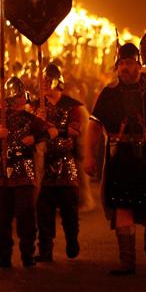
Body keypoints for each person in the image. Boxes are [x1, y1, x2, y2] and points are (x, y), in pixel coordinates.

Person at [84, 42, 146, 275]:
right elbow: (94, 126)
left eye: (130, 63)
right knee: (122, 206)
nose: (126, 67)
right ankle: (127, 260)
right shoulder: (108, 92)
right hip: (121, 156)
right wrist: (89, 156)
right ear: (117, 66)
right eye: (122, 63)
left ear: (139, 63)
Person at [0, 76, 57, 268]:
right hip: (0, 172)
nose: (22, 100)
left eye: (23, 96)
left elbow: (53, 131)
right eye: (18, 97)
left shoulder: (31, 119)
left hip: (24, 171)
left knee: (26, 215)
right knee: (1, 218)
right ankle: (3, 255)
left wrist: (36, 136)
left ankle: (27, 254)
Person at [33, 63, 92, 262]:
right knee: (43, 210)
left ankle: (72, 239)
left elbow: (76, 131)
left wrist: (55, 128)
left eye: (48, 81)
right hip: (42, 165)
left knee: (69, 210)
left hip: (66, 163)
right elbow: (28, 132)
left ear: (58, 82)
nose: (44, 85)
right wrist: (36, 119)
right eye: (42, 82)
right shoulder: (34, 106)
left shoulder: (73, 106)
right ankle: (45, 249)